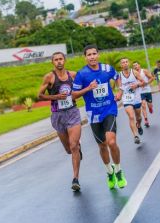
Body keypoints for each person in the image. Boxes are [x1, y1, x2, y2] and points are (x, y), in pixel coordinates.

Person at [72, 45, 127, 189]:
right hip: (93, 114)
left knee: (111, 142)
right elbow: (74, 95)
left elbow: (117, 78)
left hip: (109, 108)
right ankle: (110, 172)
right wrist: (88, 88)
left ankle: (119, 171)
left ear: (98, 55)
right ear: (85, 57)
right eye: (89, 55)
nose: (92, 57)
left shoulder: (108, 69)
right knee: (102, 145)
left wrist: (120, 91)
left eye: (94, 54)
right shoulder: (82, 74)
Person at [38, 52, 83, 192]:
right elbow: (39, 95)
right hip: (57, 115)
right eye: (56, 60)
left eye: (61, 59)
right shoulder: (49, 77)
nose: (59, 62)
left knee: (73, 145)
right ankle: (77, 148)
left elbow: (83, 86)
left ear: (65, 60)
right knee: (69, 149)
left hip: (73, 112)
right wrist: (57, 96)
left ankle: (75, 178)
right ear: (53, 62)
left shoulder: (73, 75)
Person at [119, 58, 145, 144]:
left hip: (136, 98)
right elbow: (120, 88)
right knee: (131, 116)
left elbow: (143, 82)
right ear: (121, 65)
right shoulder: (119, 75)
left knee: (139, 117)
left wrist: (137, 85)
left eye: (126, 62)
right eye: (123, 62)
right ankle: (135, 136)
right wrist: (118, 95)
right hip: (126, 99)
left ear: (129, 63)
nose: (125, 63)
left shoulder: (134, 72)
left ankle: (139, 125)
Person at [133, 61, 155, 128]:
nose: (135, 66)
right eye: (134, 66)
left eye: (136, 65)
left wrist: (146, 83)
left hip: (147, 90)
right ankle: (146, 120)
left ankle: (150, 107)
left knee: (149, 105)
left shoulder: (144, 71)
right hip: (140, 92)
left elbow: (152, 78)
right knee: (143, 105)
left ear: (139, 65)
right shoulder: (134, 74)